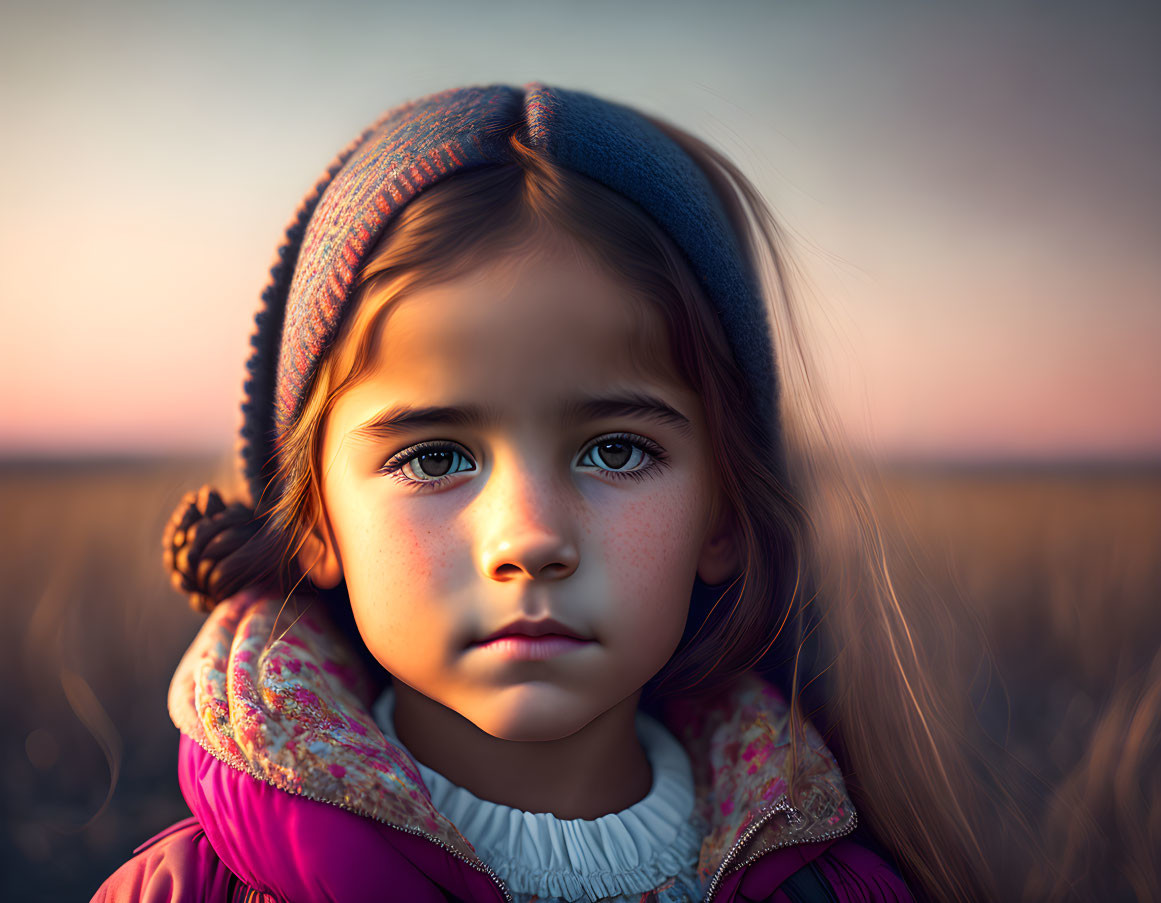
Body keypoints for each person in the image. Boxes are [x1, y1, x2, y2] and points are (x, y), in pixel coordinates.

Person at [92, 82, 999, 902]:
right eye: (435, 457)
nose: (528, 537)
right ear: (317, 518)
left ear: (723, 510)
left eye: (614, 450)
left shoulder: (834, 890)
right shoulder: (189, 891)